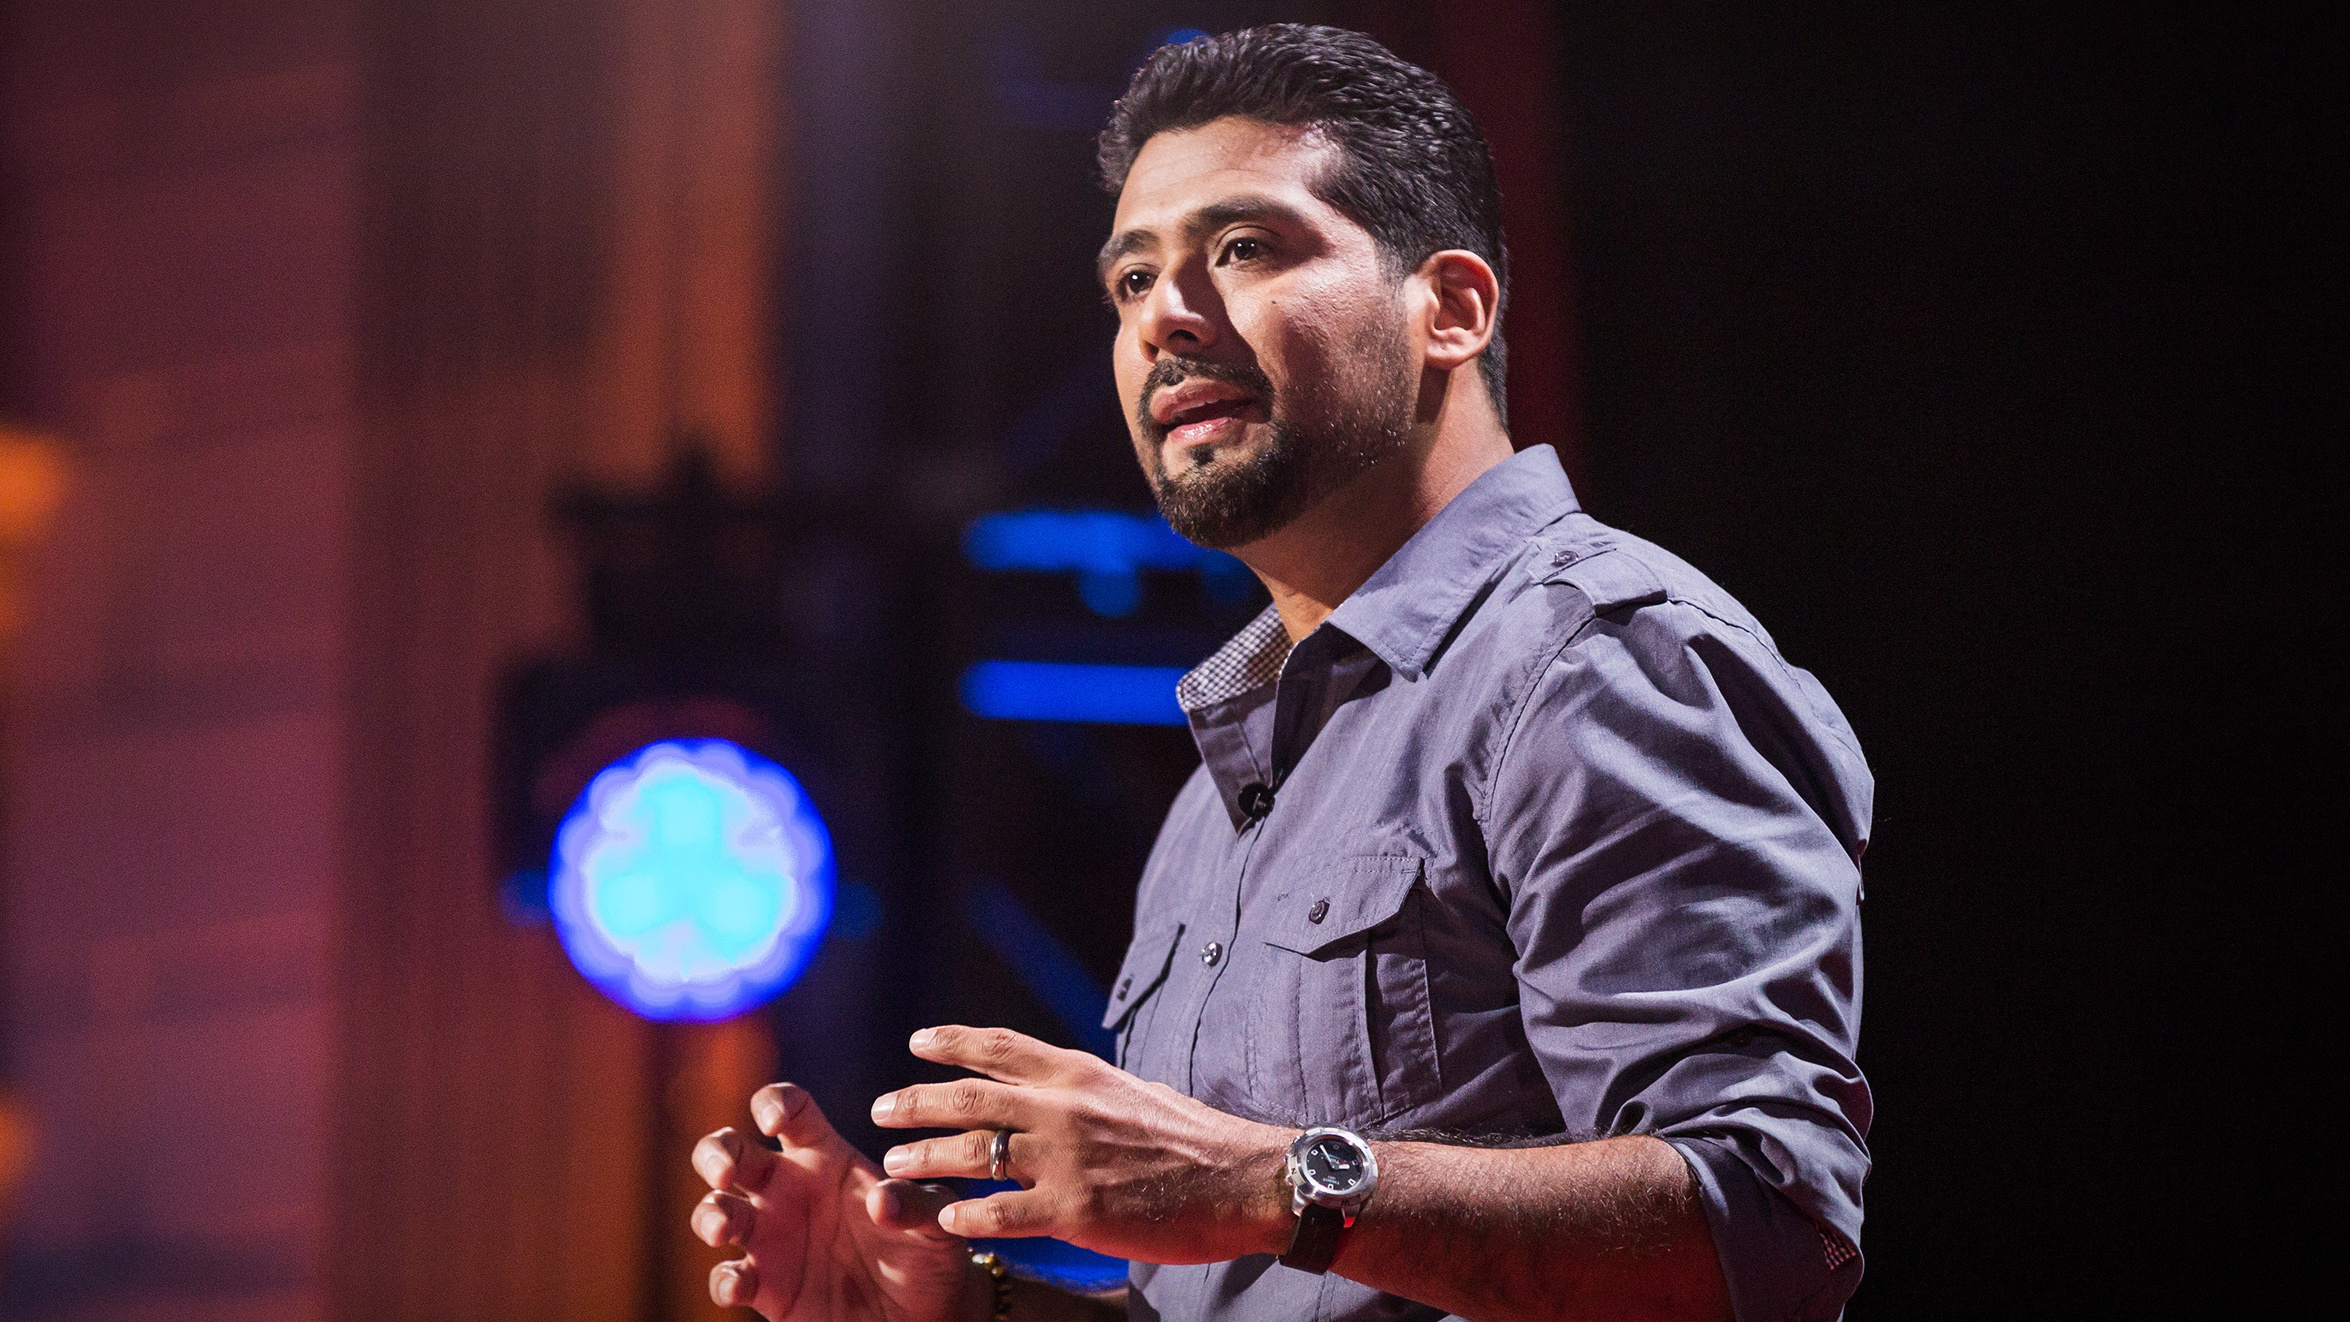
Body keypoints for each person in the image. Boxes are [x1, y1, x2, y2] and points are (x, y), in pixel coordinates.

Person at [690, 25, 1870, 1322]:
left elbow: (1763, 1233)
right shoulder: (1221, 791)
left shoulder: (1600, 660)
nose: (1166, 319)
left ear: (1451, 307)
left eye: (1242, 248)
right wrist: (968, 1308)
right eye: (1131, 281)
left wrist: (1264, 1181)